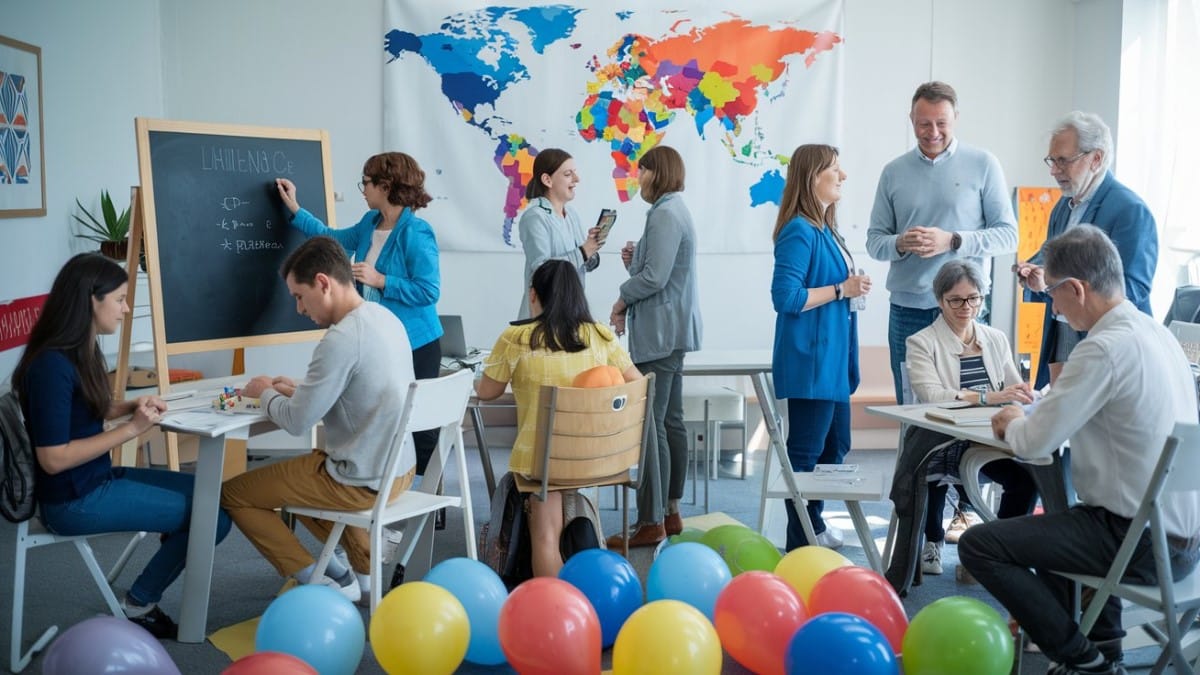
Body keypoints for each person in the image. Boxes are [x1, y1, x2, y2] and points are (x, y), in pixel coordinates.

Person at [960, 225, 1200, 675]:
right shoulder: (1158, 335)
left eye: (1052, 293)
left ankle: (1083, 660)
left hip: (1138, 542)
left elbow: (1034, 444)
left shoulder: (1102, 349)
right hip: (1185, 542)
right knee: (1059, 526)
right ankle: (1106, 648)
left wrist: (1014, 420)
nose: (1053, 306)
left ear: (1076, 288)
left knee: (980, 546)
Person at [12, 253, 232, 639]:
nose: (126, 309)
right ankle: (139, 603)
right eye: (119, 299)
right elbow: (52, 458)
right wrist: (132, 428)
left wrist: (129, 405)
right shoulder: (51, 366)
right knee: (212, 518)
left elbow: (83, 409)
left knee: (216, 497)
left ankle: (171, 537)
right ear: (90, 301)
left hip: (95, 478)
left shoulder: (80, 349)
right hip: (73, 501)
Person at [220, 236, 416, 604]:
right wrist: (301, 387)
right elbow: (360, 389)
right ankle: (360, 574)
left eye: (299, 295)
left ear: (323, 283)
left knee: (235, 494)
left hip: (360, 480)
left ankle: (320, 577)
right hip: (399, 470)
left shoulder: (341, 338)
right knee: (304, 476)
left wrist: (264, 391)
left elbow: (296, 423)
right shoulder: (383, 318)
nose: (298, 308)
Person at [866, 80, 1018, 540]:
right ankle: (926, 535)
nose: (931, 132)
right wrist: (900, 243)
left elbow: (1008, 236)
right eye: (922, 123)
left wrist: (953, 241)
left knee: (974, 420)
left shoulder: (983, 164)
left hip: (968, 313)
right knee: (921, 425)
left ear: (955, 121)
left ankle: (969, 523)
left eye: (940, 123)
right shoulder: (893, 171)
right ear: (911, 121)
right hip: (909, 310)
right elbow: (875, 241)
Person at [275, 151, 442, 474]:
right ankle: (388, 497)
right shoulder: (370, 223)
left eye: (366, 182)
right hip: (384, 341)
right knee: (384, 423)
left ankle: (427, 509)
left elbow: (429, 291)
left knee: (419, 430)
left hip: (417, 343)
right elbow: (333, 240)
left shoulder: (416, 233)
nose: (363, 189)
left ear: (386, 185)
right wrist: (295, 209)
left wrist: (382, 280)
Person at [477, 260, 639, 576]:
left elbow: (487, 391)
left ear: (534, 295)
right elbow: (636, 385)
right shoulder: (601, 336)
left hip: (544, 462)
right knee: (563, 491)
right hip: (599, 456)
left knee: (546, 536)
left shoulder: (516, 337)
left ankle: (554, 608)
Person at [884, 261, 1037, 590]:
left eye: (973, 298)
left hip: (987, 437)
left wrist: (1027, 395)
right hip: (941, 438)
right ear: (940, 300)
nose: (966, 307)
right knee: (929, 475)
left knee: (1027, 480)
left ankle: (998, 553)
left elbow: (1014, 388)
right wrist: (990, 397)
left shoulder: (995, 338)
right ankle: (933, 541)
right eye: (956, 300)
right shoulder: (921, 342)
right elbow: (933, 395)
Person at [771, 144, 872, 551]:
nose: (843, 175)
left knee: (835, 447)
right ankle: (800, 546)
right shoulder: (798, 230)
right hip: (812, 363)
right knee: (807, 454)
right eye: (834, 169)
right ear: (812, 178)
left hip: (832, 363)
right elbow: (787, 298)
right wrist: (839, 289)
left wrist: (849, 290)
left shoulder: (826, 230)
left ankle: (814, 525)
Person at [1014, 111, 1157, 389]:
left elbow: (1134, 290)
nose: (1054, 170)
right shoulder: (1061, 207)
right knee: (1062, 421)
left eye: (1063, 161)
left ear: (1096, 158)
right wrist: (1033, 273)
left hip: (1106, 343)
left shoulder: (1130, 211)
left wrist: (1065, 286)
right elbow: (1050, 259)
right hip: (1062, 334)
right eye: (1052, 161)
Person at [605, 145, 702, 548]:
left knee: (652, 427)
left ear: (653, 173)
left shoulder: (664, 214)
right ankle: (670, 511)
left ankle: (651, 520)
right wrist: (635, 261)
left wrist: (621, 297)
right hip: (672, 331)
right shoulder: (673, 210)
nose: (636, 179)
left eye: (640, 171)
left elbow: (656, 279)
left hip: (660, 335)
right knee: (670, 421)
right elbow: (658, 272)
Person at [516, 148, 604, 319]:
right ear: (547, 180)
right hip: (544, 316)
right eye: (568, 174)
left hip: (571, 313)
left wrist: (592, 249)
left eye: (575, 173)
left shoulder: (571, 214)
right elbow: (542, 270)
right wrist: (583, 252)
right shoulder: (534, 217)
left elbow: (583, 263)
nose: (576, 179)